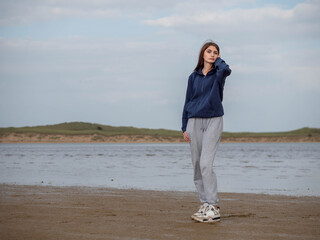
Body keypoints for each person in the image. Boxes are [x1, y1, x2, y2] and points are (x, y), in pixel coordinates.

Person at [181, 41, 231, 223]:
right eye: (209, 52)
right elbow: (187, 102)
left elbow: (227, 69)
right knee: (196, 165)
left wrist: (219, 61)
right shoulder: (192, 77)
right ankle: (205, 204)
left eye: (215, 52)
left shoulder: (219, 74)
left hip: (213, 120)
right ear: (202, 54)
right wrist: (184, 126)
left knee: (205, 164)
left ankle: (214, 206)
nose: (212, 54)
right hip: (194, 121)